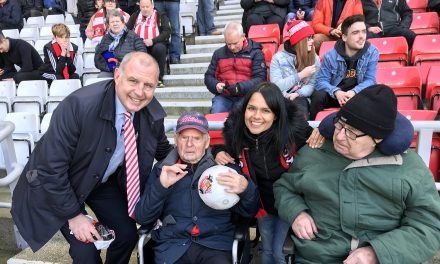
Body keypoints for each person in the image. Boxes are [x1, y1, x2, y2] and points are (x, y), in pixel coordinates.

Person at [11, 52, 173, 264]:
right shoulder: (78, 106)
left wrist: (208, 157)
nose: (139, 92)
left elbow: (163, 150)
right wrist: (75, 216)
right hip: (60, 184)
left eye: (148, 85)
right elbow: (50, 168)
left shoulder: (151, 114)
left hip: (100, 181)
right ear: (117, 76)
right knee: (86, 253)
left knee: (127, 235)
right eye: (133, 81)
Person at [274, 84, 440, 264]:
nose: (339, 137)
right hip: (318, 257)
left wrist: (377, 253)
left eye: (352, 133)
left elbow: (429, 226)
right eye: (339, 125)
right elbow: (284, 188)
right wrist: (297, 213)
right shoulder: (314, 152)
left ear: (378, 138)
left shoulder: (410, 168)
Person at [213, 82, 323, 264]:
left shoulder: (294, 131)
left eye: (265, 110)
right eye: (252, 108)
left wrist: (324, 130)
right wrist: (217, 152)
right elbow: (225, 149)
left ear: (276, 114)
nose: (256, 116)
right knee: (266, 250)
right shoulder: (237, 133)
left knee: (280, 254)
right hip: (262, 205)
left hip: (290, 203)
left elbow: (326, 135)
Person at [135, 111, 259, 263]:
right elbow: (143, 217)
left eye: (196, 138)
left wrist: (246, 190)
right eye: (184, 137)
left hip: (215, 245)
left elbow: (249, 213)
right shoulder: (162, 170)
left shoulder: (225, 169)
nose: (189, 144)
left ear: (207, 142)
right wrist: (161, 187)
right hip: (173, 246)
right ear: (176, 140)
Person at [309, 15, 379, 120]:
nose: (362, 36)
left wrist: (354, 92)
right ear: (344, 37)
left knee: (378, 93)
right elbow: (321, 82)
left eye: (364, 31)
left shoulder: (372, 51)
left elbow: (370, 80)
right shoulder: (330, 56)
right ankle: (314, 128)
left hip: (357, 94)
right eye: (356, 33)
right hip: (336, 95)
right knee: (318, 95)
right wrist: (336, 92)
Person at [205, 22, 267, 113]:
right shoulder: (218, 54)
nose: (232, 47)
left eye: (235, 43)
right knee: (216, 113)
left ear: (243, 37)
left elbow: (260, 79)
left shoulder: (256, 53)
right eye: (228, 44)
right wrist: (216, 85)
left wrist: (239, 88)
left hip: (247, 95)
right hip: (224, 96)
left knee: (238, 114)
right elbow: (208, 77)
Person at [270, 19, 320, 118]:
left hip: (300, 97)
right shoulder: (278, 58)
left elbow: (312, 85)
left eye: (312, 37)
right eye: (309, 38)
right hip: (280, 96)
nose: (312, 41)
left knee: (298, 110)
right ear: (299, 41)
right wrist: (300, 75)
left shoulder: (315, 58)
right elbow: (276, 86)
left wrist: (297, 94)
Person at [127, 0, 170, 87]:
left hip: (155, 43)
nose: (145, 9)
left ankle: (158, 78)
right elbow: (126, 30)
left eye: (147, 6)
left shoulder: (161, 15)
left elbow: (166, 32)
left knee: (159, 49)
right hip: (139, 45)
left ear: (152, 5)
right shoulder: (135, 16)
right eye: (143, 7)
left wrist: (152, 41)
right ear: (140, 6)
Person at [95, 9, 147, 76]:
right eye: (112, 22)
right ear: (108, 25)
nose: (115, 24)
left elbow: (142, 54)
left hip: (130, 70)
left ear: (123, 23)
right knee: (102, 76)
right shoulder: (105, 39)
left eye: (117, 21)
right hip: (111, 71)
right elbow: (97, 59)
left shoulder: (133, 36)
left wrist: (120, 65)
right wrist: (111, 67)